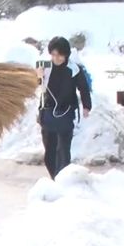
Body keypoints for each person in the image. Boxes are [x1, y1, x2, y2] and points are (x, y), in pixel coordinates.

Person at [38, 36, 92, 179]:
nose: (56, 58)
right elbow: (38, 85)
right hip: (48, 113)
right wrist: (38, 76)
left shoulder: (74, 69)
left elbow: (84, 88)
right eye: (54, 55)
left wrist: (86, 106)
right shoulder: (45, 66)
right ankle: (54, 177)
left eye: (60, 55)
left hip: (66, 113)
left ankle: (63, 179)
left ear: (66, 54)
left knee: (63, 150)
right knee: (49, 152)